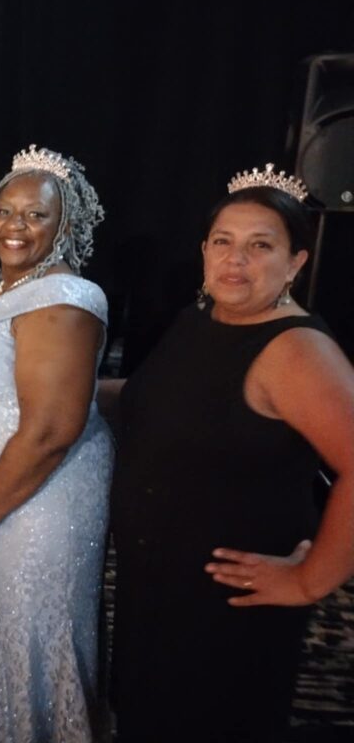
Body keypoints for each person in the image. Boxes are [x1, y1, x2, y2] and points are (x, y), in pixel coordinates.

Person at [108, 164, 354, 743]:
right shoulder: (202, 318)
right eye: (223, 241)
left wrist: (311, 580)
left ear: (295, 262)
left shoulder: (295, 350)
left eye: (260, 246)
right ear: (204, 251)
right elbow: (159, 399)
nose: (235, 259)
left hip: (226, 602)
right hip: (160, 586)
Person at [0, 145, 112, 742]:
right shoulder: (7, 287)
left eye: (37, 215)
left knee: (32, 636)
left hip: (38, 505)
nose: (16, 225)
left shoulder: (62, 298)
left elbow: (50, 431)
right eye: (5, 211)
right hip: (8, 500)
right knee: (5, 634)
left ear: (65, 226)